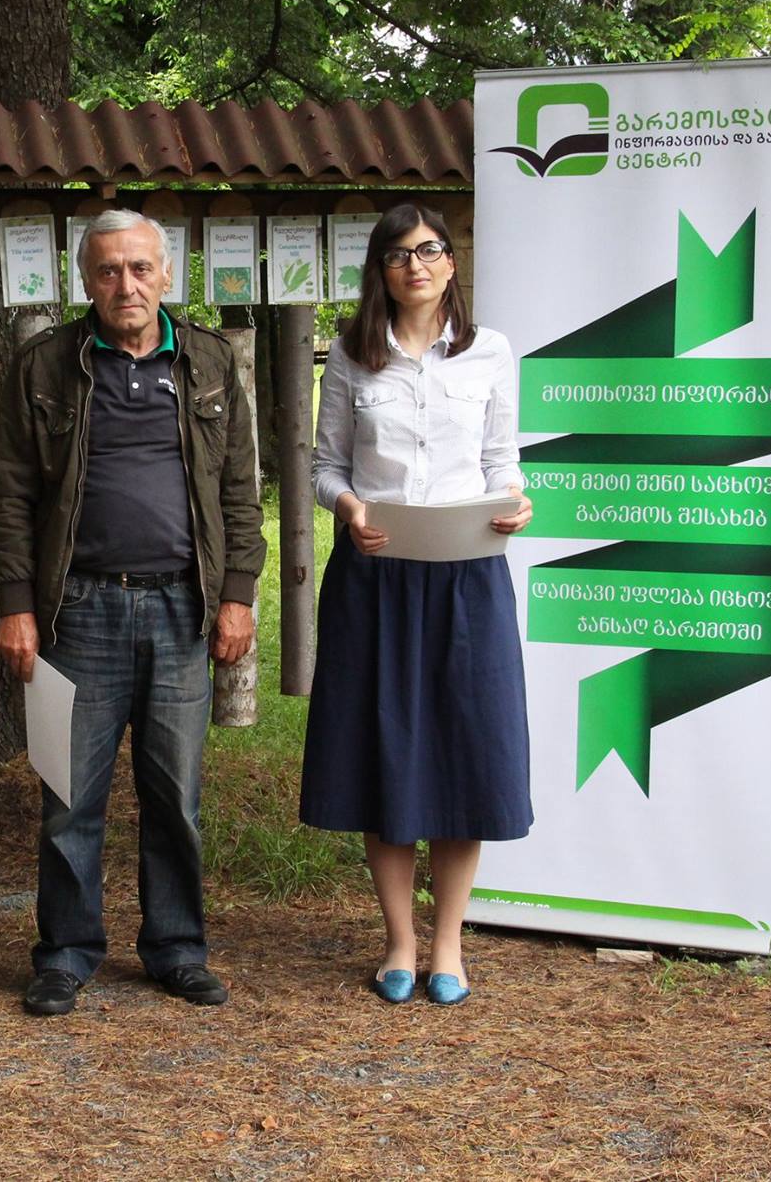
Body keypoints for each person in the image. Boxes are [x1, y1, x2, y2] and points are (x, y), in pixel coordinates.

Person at [0, 209, 266, 1017]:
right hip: (77, 611)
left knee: (175, 797)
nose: (126, 285)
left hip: (182, 607)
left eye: (141, 268)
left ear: (167, 274)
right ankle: (65, 953)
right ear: (86, 280)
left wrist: (238, 593)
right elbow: (9, 494)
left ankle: (176, 949)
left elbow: (240, 489)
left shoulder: (209, 360)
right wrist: (16, 605)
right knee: (68, 796)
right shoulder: (45, 364)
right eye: (108, 270)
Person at [301, 202, 533, 1007]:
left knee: (467, 752)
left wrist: (515, 500)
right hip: (377, 576)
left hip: (469, 577)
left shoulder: (490, 351)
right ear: (381, 270)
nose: (416, 265)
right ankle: (399, 940)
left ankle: (448, 945)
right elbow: (325, 467)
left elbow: (502, 460)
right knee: (385, 751)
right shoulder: (351, 354)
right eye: (399, 254)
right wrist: (349, 509)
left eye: (429, 250)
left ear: (450, 262)